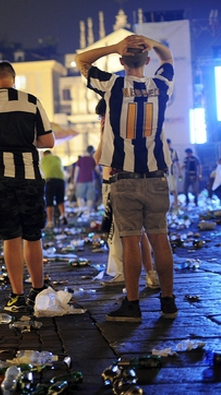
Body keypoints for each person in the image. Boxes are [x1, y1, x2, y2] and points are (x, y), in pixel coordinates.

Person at [75, 34, 176, 322]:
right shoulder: (161, 84)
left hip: (124, 177)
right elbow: (167, 58)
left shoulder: (113, 85)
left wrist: (113, 47)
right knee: (160, 238)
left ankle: (132, 304)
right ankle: (168, 302)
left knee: (130, 241)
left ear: (121, 62)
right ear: (147, 61)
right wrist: (150, 42)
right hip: (156, 176)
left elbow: (80, 60)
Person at [0, 60, 54, 314]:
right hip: (28, 174)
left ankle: (17, 293)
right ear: (13, 79)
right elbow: (48, 140)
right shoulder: (31, 101)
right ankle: (37, 288)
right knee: (32, 235)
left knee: (10, 237)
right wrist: (25, 141)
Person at [93, 99, 159, 290]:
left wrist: (102, 132)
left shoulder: (111, 130)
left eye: (100, 116)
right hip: (138, 181)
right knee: (141, 233)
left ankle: (121, 275)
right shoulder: (130, 126)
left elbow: (98, 158)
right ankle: (151, 274)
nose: (100, 119)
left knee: (118, 235)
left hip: (115, 184)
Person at [71, 146, 100, 217]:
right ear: (91, 151)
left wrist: (74, 181)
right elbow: (97, 169)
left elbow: (76, 171)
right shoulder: (92, 159)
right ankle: (88, 211)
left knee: (79, 196)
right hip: (91, 180)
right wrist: (101, 175)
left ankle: (81, 209)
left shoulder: (80, 160)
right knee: (90, 196)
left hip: (81, 180)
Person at [41, 150, 67, 228]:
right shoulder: (57, 158)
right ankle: (63, 216)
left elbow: (41, 171)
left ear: (44, 154)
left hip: (50, 180)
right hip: (61, 179)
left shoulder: (43, 159)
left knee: (49, 201)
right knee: (60, 200)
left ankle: (50, 222)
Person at [166, 139, 181, 208]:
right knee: (166, 190)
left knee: (173, 189)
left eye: (169, 144)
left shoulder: (174, 152)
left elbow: (178, 163)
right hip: (165, 173)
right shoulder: (163, 151)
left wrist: (180, 173)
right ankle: (168, 205)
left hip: (172, 173)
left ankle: (176, 204)